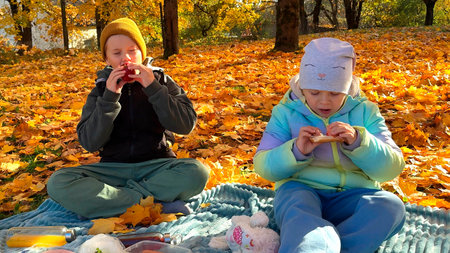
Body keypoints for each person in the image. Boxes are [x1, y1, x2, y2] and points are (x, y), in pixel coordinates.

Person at [253, 38, 406, 253]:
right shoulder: (286, 112)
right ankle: (312, 244)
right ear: (303, 86)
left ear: (347, 87)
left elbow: (391, 168)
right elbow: (263, 166)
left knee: (390, 206)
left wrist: (359, 142)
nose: (324, 102)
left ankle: (329, 244)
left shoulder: (366, 111)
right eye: (314, 93)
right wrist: (296, 151)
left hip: (355, 195)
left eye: (335, 93)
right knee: (298, 209)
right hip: (301, 190)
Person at [47, 18, 209, 219]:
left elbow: (185, 125)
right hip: (112, 172)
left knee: (197, 172)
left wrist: (154, 88)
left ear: (143, 54)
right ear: (107, 59)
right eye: (117, 53)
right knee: (58, 182)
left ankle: (112, 204)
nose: (126, 59)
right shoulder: (100, 90)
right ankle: (155, 203)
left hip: (157, 167)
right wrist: (109, 97)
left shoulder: (162, 82)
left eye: (132, 51)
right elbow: (89, 142)